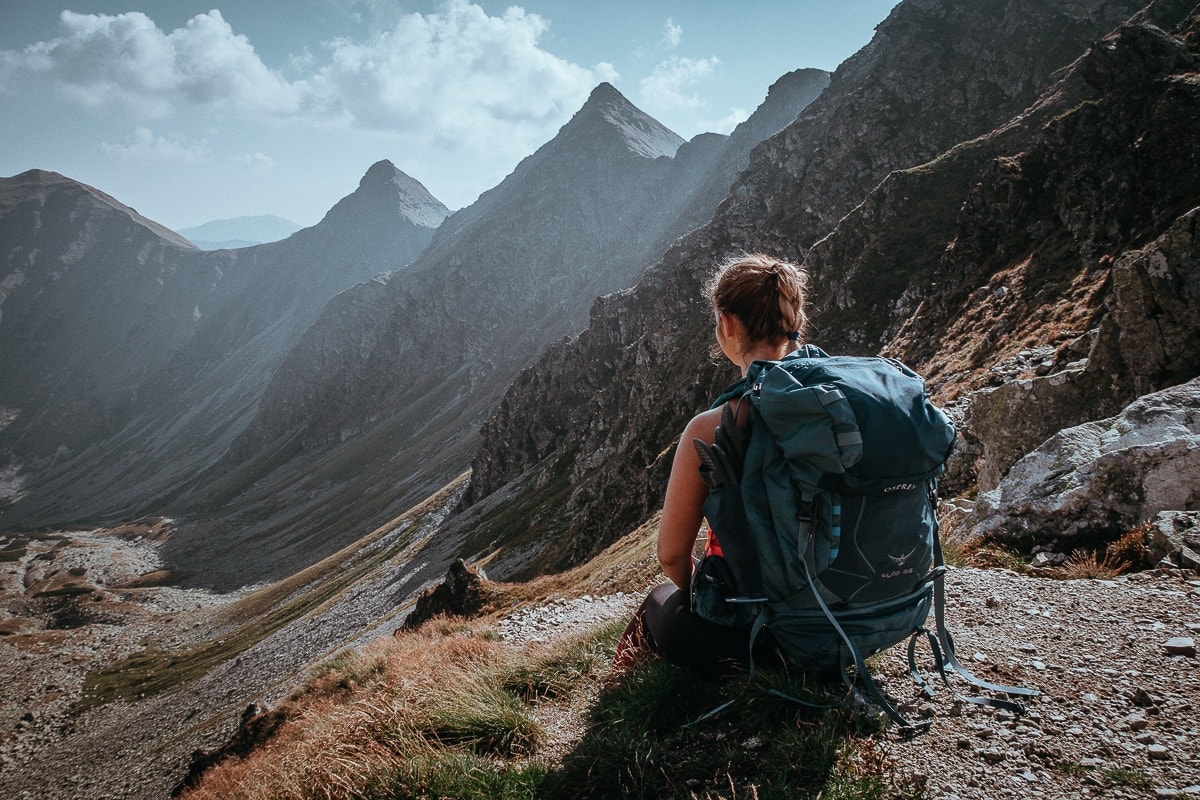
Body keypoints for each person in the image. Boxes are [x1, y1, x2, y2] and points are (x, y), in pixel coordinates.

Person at [613, 252, 809, 677]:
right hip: (846, 615)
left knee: (658, 600)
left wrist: (698, 592)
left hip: (759, 634)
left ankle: (619, 702)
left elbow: (671, 555)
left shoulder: (710, 428)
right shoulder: (835, 406)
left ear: (727, 325)